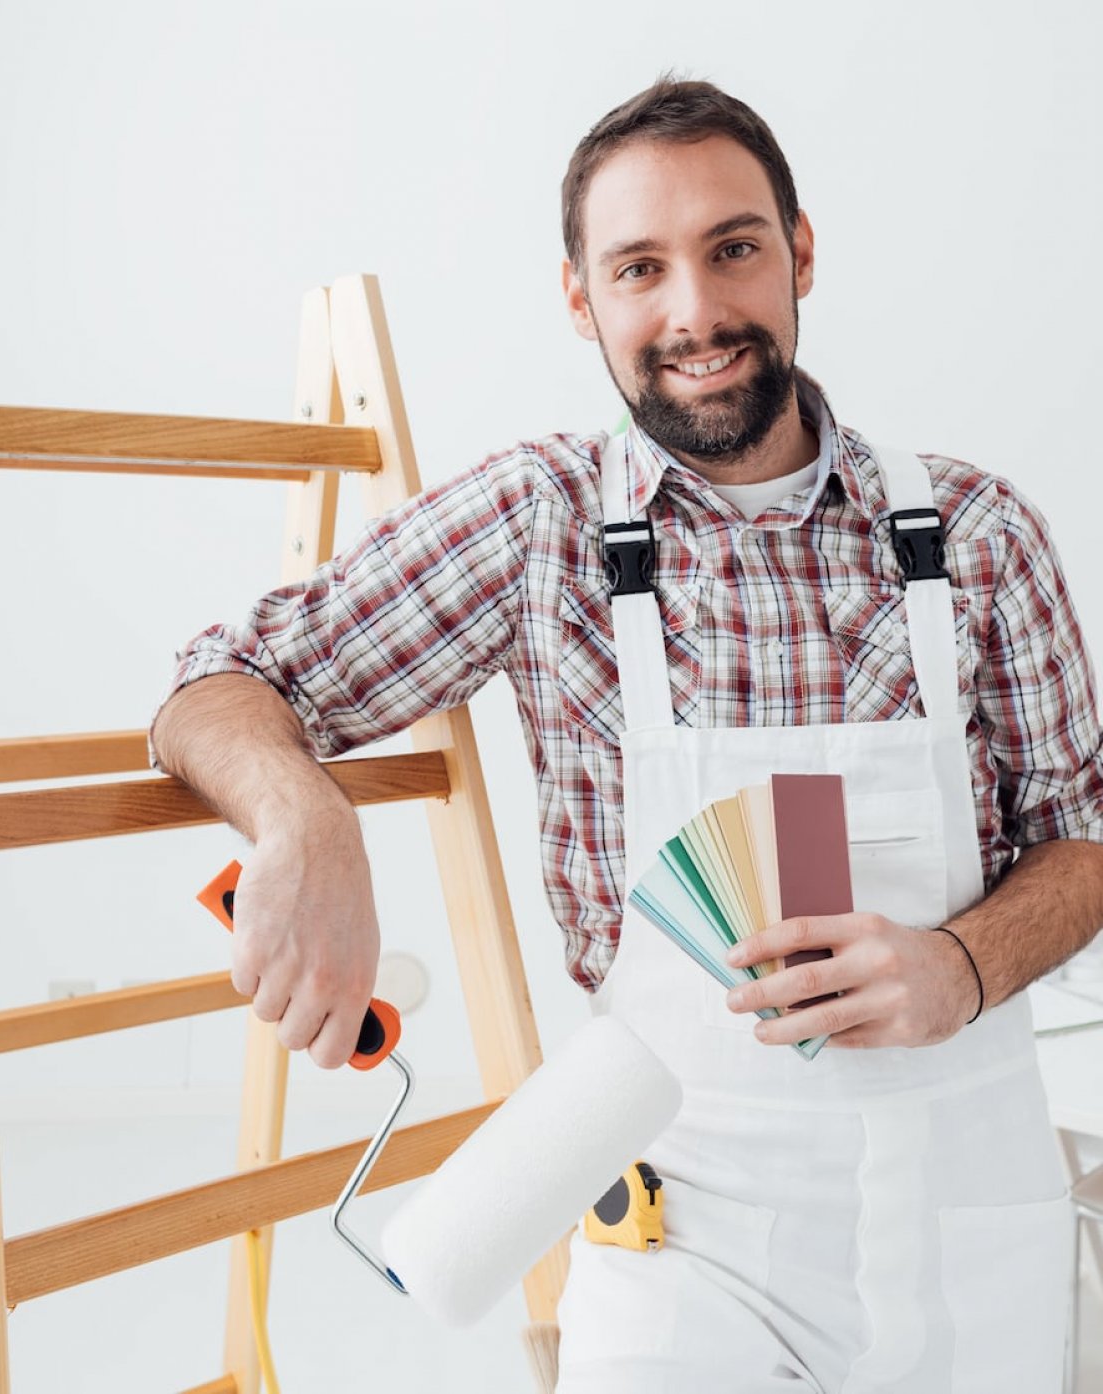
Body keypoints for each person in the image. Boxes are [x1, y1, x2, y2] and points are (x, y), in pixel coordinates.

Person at [150, 76, 1103, 1392]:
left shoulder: (982, 535)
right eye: (640, 267)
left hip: (969, 1223)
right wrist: (305, 814)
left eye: (733, 249)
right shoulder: (540, 525)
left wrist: (965, 961)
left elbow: (1085, 838)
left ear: (800, 251)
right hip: (685, 1240)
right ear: (580, 297)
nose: (695, 313)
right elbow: (224, 676)